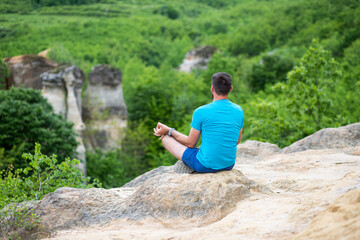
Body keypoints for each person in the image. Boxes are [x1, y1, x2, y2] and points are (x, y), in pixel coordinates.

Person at [153, 72, 244, 173]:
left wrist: (169, 131)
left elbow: (190, 143)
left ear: (212, 88)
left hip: (204, 165)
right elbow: (237, 141)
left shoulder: (201, 111)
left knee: (166, 139)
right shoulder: (239, 111)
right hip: (228, 164)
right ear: (231, 88)